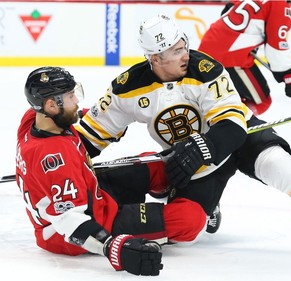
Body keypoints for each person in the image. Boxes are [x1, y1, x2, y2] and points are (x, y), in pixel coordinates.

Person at [75, 14, 291, 256]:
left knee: (280, 165)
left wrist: (205, 145)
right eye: (175, 51)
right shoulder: (126, 89)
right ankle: (211, 206)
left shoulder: (206, 69)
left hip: (237, 137)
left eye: (183, 45)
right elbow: (89, 136)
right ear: (154, 58)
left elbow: (231, 125)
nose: (184, 54)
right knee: (187, 235)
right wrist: (63, 157)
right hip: (192, 161)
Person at [15, 67, 209, 276]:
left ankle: (167, 193)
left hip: (90, 190)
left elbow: (76, 121)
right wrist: (109, 246)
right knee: (192, 219)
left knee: (156, 163)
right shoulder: (55, 159)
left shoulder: (35, 120)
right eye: (71, 97)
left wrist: (105, 120)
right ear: (51, 105)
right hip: (83, 225)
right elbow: (70, 222)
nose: (76, 101)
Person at [198, 0, 291, 116]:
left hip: (208, 49)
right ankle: (231, 124)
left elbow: (230, 7)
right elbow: (276, 46)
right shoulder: (280, 6)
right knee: (261, 101)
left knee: (232, 96)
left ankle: (223, 118)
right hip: (228, 56)